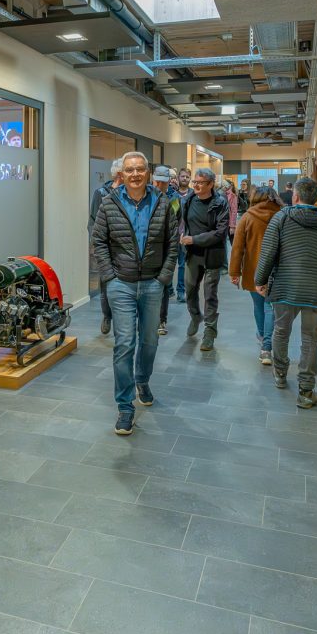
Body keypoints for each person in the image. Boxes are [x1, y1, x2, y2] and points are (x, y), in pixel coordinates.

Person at [92, 151, 177, 435]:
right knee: (125, 343)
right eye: (130, 170)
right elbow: (99, 241)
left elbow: (173, 243)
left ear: (148, 172)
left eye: (140, 169)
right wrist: (109, 277)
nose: (135, 174)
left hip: (153, 283)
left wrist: (164, 278)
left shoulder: (162, 202)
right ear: (122, 174)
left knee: (150, 340)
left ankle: (142, 379)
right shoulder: (109, 203)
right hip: (121, 284)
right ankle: (125, 406)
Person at [255, 176, 317, 408]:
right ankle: (306, 391)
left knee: (281, 331)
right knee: (311, 340)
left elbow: (268, 251)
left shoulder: (282, 217)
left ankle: (280, 373)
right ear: (316, 198)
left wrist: (260, 280)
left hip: (285, 287)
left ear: (295, 196)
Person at [229, 186, 282, 363]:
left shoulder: (248, 217)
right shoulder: (282, 215)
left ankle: (263, 340)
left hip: (254, 270)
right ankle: (267, 345)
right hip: (278, 270)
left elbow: (237, 248)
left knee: (259, 306)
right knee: (270, 307)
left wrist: (234, 272)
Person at [181, 167, 229, 351]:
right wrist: (182, 234)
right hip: (192, 255)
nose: (196, 185)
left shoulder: (220, 203)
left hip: (212, 256)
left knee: (210, 295)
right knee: (190, 290)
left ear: (211, 184)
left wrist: (194, 239)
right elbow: (183, 222)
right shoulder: (189, 200)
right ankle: (195, 316)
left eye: (200, 183)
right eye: (195, 182)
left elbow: (219, 233)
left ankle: (209, 332)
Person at [89, 159, 121, 335]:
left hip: (124, 248)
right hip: (106, 248)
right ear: (119, 174)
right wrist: (96, 244)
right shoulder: (101, 193)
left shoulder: (131, 195)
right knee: (105, 285)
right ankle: (107, 316)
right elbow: (92, 221)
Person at [151, 164, 180, 335]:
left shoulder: (174, 198)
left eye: (163, 182)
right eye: (157, 182)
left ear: (168, 182)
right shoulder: (146, 195)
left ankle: (161, 320)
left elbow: (175, 221)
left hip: (165, 248)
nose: (159, 185)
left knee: (163, 285)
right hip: (148, 248)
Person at [175, 167, 193, 300]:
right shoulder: (172, 195)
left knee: (182, 265)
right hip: (172, 235)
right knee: (169, 264)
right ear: (178, 178)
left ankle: (181, 291)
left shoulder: (193, 195)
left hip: (186, 235)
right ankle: (168, 290)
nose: (185, 179)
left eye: (187, 176)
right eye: (182, 176)